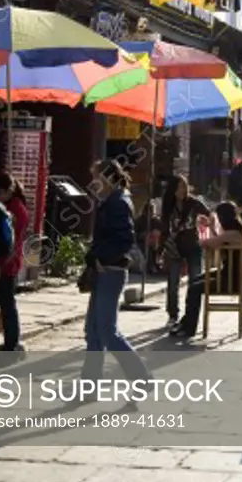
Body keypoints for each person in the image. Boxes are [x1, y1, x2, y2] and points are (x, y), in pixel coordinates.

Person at [81, 160, 149, 384]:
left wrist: (101, 257)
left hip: (111, 271)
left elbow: (124, 239)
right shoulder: (109, 201)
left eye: (96, 178)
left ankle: (140, 376)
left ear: (108, 178)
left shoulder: (118, 202)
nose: (93, 183)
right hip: (103, 270)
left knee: (108, 332)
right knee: (93, 331)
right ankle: (90, 385)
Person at [0, 173, 29, 352]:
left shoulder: (16, 210)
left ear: (4, 191)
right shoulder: (5, 206)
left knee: (6, 304)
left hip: (6, 266)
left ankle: (12, 343)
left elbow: (13, 244)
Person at [161, 175, 212, 337]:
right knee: (173, 282)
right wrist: (162, 248)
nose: (183, 190)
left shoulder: (193, 202)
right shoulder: (168, 204)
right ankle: (173, 314)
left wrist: (206, 221)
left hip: (192, 246)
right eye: (180, 187)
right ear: (173, 190)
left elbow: (209, 214)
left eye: (185, 186)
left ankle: (190, 318)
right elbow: (164, 226)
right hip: (174, 246)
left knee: (194, 283)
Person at [204, 201, 242, 293]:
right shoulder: (235, 230)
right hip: (232, 276)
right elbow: (219, 241)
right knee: (196, 280)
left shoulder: (232, 233)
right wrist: (212, 228)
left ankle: (191, 307)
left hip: (233, 280)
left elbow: (208, 242)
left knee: (194, 288)